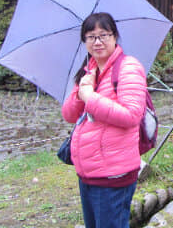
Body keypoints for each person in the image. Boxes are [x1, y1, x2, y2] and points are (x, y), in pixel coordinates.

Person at [62, 12, 146, 228]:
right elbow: (69, 115)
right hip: (88, 174)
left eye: (103, 35)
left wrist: (90, 97)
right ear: (84, 41)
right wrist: (81, 89)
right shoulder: (89, 71)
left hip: (113, 175)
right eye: (90, 37)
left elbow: (131, 115)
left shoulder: (128, 67)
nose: (97, 42)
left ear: (115, 36)